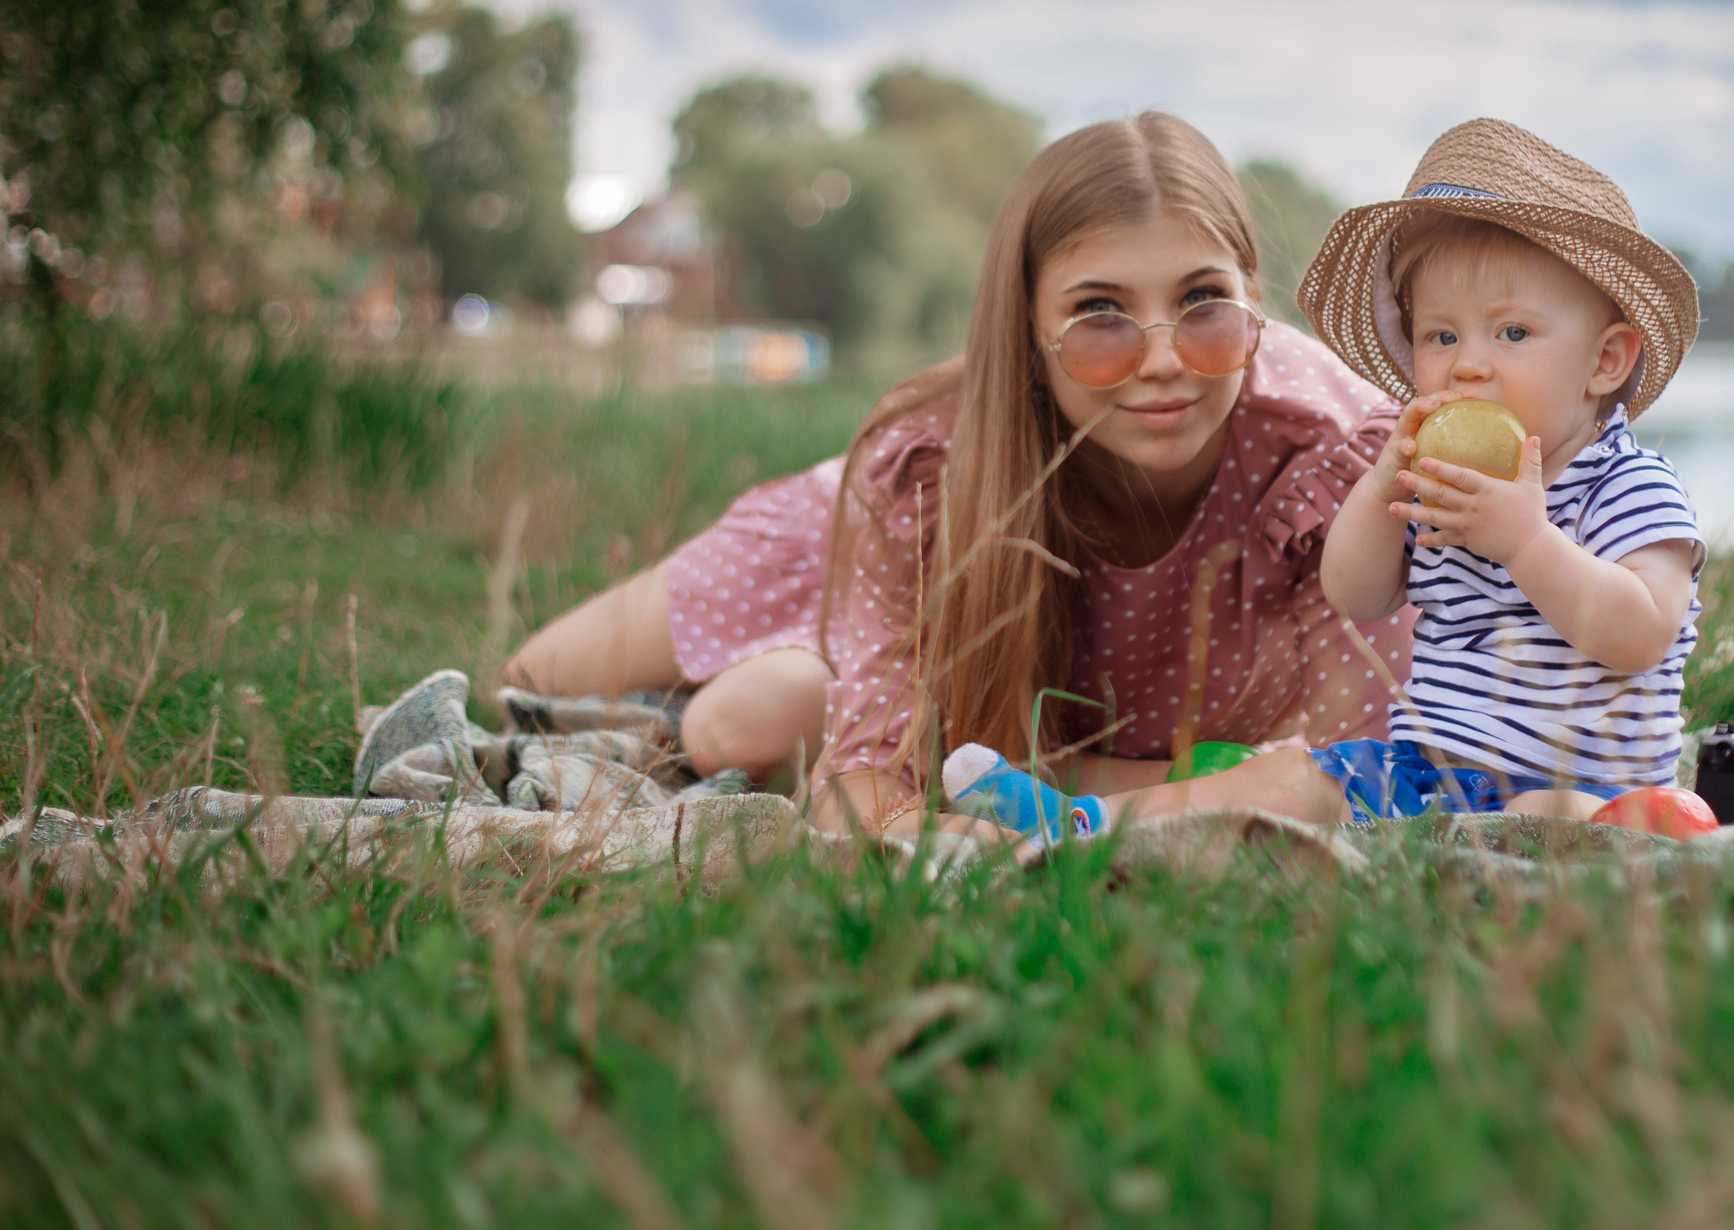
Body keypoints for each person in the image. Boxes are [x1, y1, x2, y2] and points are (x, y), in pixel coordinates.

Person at [501, 111, 1416, 837]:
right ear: (1026, 327)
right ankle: (783, 682)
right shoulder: (929, 470)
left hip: (1039, 733)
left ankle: (777, 700)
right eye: (1100, 310)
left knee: (754, 721)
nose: (1165, 357)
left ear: (1254, 298)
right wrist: (912, 827)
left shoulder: (1331, 457)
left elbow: (1365, 758)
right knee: (539, 675)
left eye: (1202, 301)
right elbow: (864, 789)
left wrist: (1070, 797)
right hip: (860, 541)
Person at [944, 119, 1705, 835]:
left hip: (1583, 784)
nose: (1468, 362)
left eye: (1512, 332)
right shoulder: (1443, 480)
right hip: (1421, 774)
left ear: (1606, 360)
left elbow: (1640, 633)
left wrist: (1528, 540)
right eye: (1441, 334)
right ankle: (1087, 822)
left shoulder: (1628, 488)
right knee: (1288, 778)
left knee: (1550, 819)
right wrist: (1379, 493)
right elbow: (1357, 592)